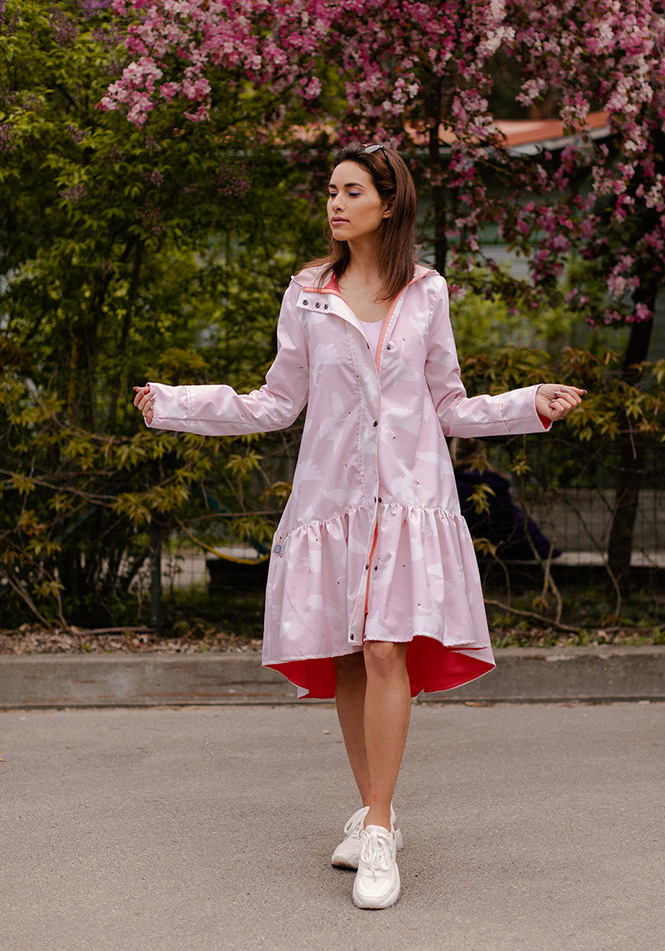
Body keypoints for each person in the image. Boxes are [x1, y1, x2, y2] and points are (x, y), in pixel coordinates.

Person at [134, 142, 584, 910]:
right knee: (346, 658)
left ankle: (376, 829)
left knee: (383, 649)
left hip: (407, 504)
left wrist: (526, 404)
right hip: (332, 506)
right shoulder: (308, 293)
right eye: (331, 191)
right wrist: (175, 404)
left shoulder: (427, 291)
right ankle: (379, 808)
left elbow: (448, 404)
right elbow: (276, 401)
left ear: (388, 200)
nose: (335, 204)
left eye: (351, 191)